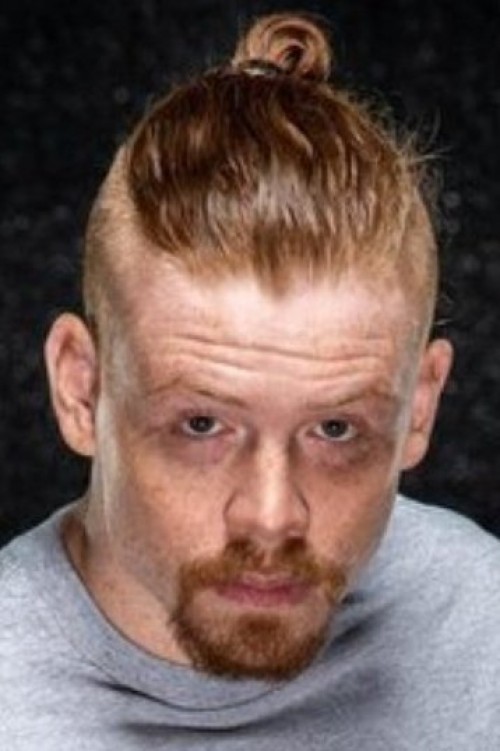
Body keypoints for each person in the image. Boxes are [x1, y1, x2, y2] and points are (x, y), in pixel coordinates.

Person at [1, 11, 499, 749]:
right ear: (81, 389)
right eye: (202, 424)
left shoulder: (484, 627)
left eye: (336, 429)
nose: (271, 517)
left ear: (420, 405)